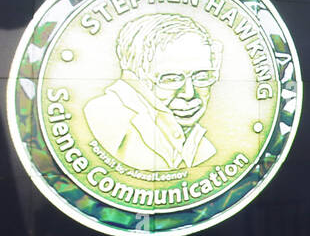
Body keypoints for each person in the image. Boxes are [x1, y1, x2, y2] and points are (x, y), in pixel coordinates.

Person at [85, 13, 222, 172]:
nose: (189, 93)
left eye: (202, 76)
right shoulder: (105, 117)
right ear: (137, 76)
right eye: (170, 79)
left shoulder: (198, 141)